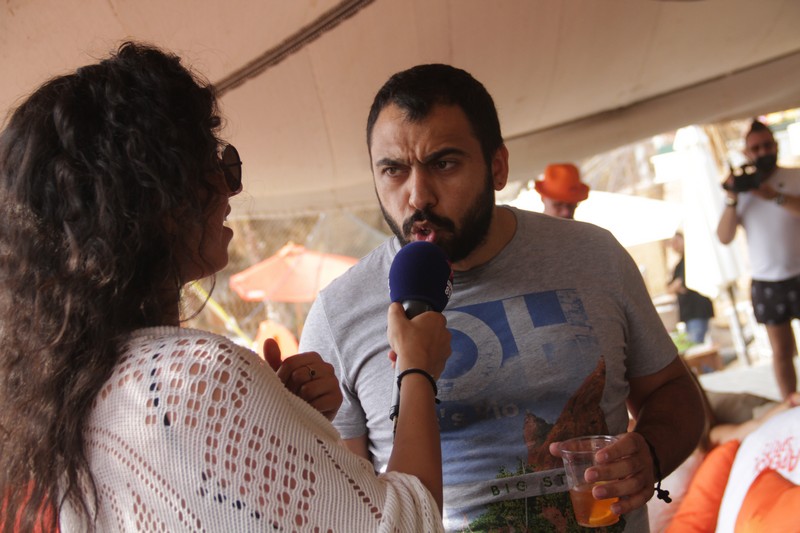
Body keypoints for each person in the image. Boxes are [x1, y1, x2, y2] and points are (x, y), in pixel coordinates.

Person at [0, 42, 452, 532]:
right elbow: (408, 524)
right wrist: (416, 372)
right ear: (161, 201)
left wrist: (283, 422)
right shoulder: (197, 379)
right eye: (216, 164)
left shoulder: (71, 390)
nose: (231, 188)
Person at [299, 63, 706, 531]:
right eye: (393, 170)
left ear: (497, 166)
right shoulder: (338, 313)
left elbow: (674, 393)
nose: (418, 196)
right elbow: (353, 506)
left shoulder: (594, 255)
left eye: (444, 164)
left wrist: (649, 454)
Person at [717, 119, 800, 401]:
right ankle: (791, 404)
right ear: (746, 153)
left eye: (767, 145)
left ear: (775, 146)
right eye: (756, 148)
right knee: (781, 350)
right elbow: (724, 236)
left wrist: (774, 196)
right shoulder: (741, 189)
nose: (762, 151)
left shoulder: (794, 176)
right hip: (767, 280)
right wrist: (731, 197)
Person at [667, 231, 715, 345]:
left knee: (697, 346)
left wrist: (676, 286)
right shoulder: (679, 264)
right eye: (672, 243)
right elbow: (670, 288)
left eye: (676, 241)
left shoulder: (692, 260)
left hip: (697, 310)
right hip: (690, 313)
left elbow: (682, 284)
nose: (674, 245)